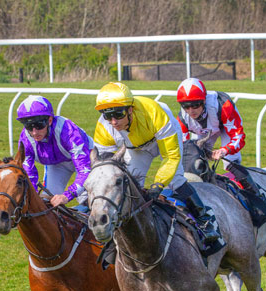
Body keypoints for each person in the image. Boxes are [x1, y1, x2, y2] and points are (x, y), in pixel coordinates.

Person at [93, 81, 223, 253]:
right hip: (136, 147)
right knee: (129, 186)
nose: (113, 122)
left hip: (162, 138)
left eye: (118, 114)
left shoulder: (154, 112)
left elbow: (171, 157)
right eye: (107, 115)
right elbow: (105, 169)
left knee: (174, 180)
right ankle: (120, 235)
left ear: (130, 109)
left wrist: (157, 185)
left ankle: (205, 220)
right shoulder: (104, 127)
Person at [16, 95, 94, 209]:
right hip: (57, 165)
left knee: (87, 199)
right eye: (28, 126)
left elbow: (84, 170)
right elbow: (29, 175)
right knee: (47, 202)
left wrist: (67, 195)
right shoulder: (25, 140)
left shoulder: (67, 131)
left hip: (88, 159)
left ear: (50, 120)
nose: (34, 132)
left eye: (39, 125)